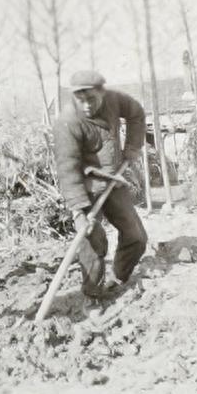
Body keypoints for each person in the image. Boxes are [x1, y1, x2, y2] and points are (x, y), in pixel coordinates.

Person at [53, 70, 148, 318]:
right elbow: (67, 168)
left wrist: (133, 147)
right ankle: (92, 296)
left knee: (136, 236)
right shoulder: (68, 122)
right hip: (85, 187)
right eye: (80, 99)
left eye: (91, 99)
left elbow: (136, 114)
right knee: (94, 243)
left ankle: (117, 278)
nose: (86, 105)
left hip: (114, 181)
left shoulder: (115, 100)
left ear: (102, 93)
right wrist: (78, 212)